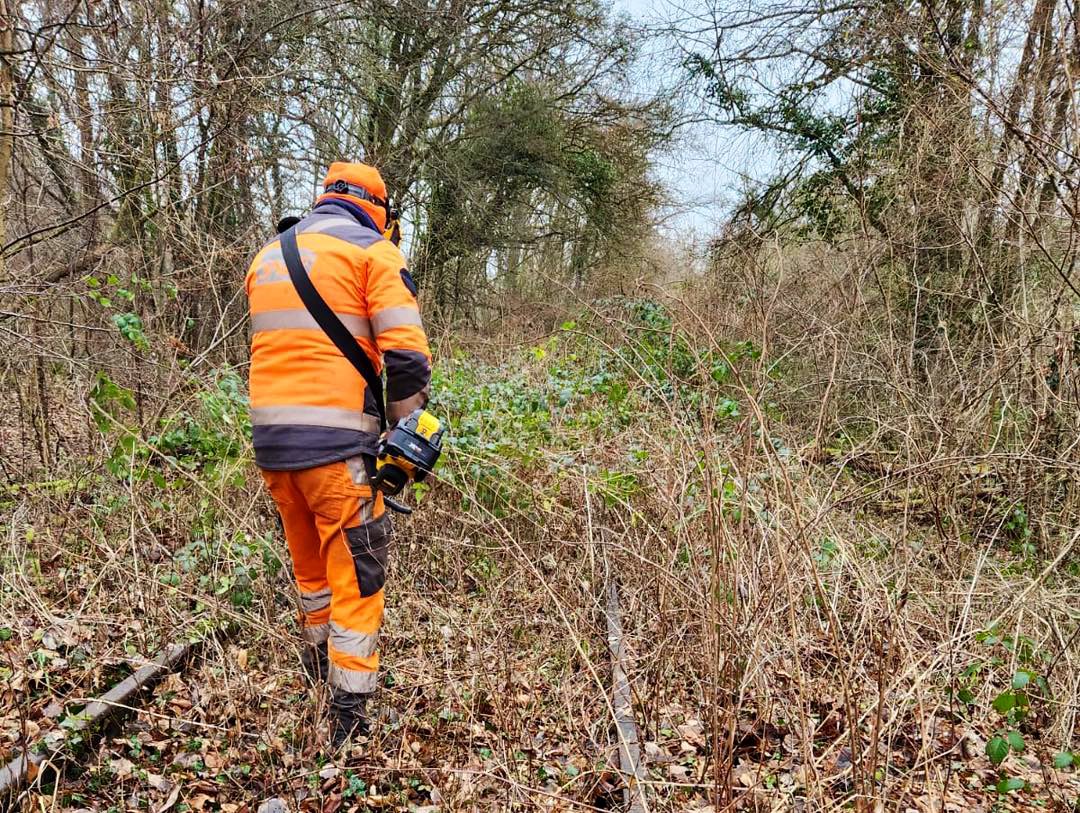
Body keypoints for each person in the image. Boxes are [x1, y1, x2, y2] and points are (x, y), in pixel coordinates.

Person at [244, 162, 431, 748]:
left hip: (274, 448)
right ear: (378, 208)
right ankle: (350, 718)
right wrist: (407, 438)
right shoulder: (374, 255)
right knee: (357, 572)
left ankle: (315, 669)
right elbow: (406, 359)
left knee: (312, 568)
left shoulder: (268, 255)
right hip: (338, 450)